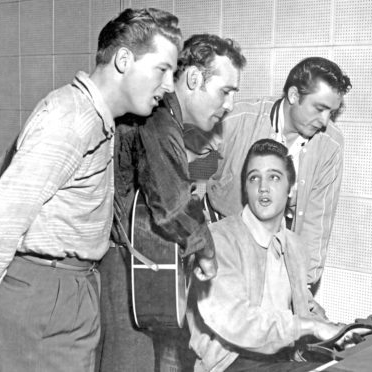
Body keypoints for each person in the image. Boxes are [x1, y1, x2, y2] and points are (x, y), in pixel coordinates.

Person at [0, 8, 182, 372]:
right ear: (124, 60)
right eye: (163, 69)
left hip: (71, 285)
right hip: (47, 290)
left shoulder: (95, 119)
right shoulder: (71, 119)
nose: (170, 85)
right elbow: (0, 213)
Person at [96, 34, 246, 371]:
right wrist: (207, 252)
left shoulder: (164, 118)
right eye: (226, 91)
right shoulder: (158, 117)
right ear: (193, 79)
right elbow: (172, 206)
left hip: (132, 262)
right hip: (120, 266)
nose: (230, 106)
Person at [187, 57, 352, 288]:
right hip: (218, 243)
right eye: (320, 108)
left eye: (331, 112)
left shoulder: (330, 145)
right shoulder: (238, 119)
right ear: (294, 96)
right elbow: (177, 154)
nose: (324, 121)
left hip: (275, 257)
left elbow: (317, 224)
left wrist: (301, 287)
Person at [187, 138, 345, 372]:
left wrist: (341, 331)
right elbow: (237, 322)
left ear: (291, 190)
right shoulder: (217, 240)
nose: (263, 187)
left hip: (283, 358)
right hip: (229, 363)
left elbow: (305, 308)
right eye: (254, 178)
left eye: (274, 177)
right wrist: (309, 326)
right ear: (246, 188)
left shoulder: (294, 245)